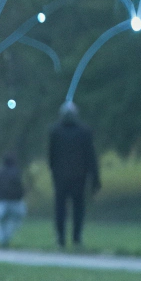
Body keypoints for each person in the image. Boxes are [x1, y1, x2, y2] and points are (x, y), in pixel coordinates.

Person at [47, 102, 100, 247]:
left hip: (61, 177)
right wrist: (95, 178)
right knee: (77, 208)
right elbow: (91, 157)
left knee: (61, 209)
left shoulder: (55, 131)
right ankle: (76, 238)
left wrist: (54, 172)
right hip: (79, 176)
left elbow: (51, 157)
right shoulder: (84, 132)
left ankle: (61, 238)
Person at [0, 153, 27, 247]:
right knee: (15, 221)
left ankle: (2, 241)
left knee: (0, 224)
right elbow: (20, 189)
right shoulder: (16, 172)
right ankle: (6, 238)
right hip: (14, 203)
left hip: (0, 203)